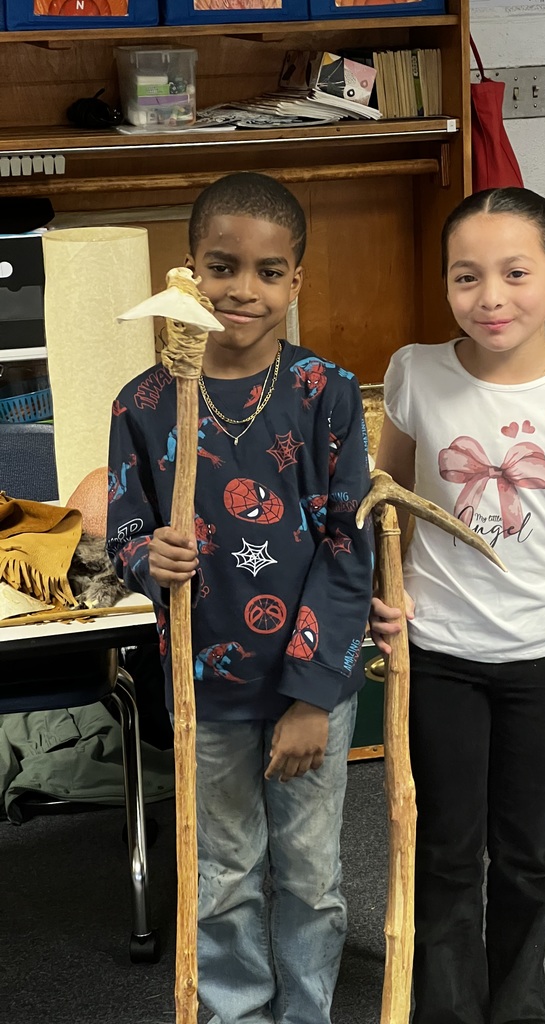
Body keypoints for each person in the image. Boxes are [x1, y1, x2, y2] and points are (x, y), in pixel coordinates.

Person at [106, 172, 373, 1024]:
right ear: (188, 270)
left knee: (310, 873)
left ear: (296, 280)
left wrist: (307, 696)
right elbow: (123, 532)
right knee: (220, 871)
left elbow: (347, 546)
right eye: (222, 267)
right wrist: (155, 555)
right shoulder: (145, 404)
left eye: (268, 272)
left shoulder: (325, 391)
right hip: (205, 686)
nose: (242, 290)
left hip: (310, 689)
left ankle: (305, 1012)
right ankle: (237, 1014)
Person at [370, 186, 545, 1024]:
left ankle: (519, 1007)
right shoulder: (416, 371)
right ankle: (447, 1008)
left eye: (516, 273)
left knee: (527, 853)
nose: (489, 297)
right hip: (440, 653)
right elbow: (390, 508)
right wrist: (388, 601)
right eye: (466, 276)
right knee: (445, 850)